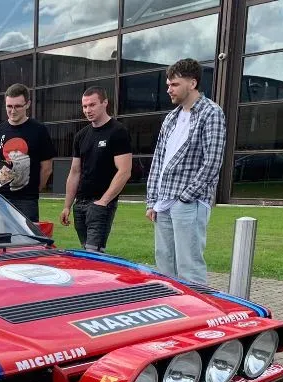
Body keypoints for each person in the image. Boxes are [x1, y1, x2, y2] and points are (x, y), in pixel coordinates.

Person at [146, 58, 226, 284]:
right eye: (168, 85)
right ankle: (170, 305)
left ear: (192, 83)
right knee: (164, 267)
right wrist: (152, 200)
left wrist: (186, 197)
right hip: (163, 201)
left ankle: (196, 306)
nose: (169, 89)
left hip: (189, 202)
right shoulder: (171, 118)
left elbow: (212, 161)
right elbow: (158, 161)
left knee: (189, 268)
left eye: (175, 84)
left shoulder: (211, 112)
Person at [60, 87, 132, 253]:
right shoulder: (81, 135)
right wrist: (67, 206)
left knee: (94, 253)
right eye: (84, 106)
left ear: (105, 103)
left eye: (92, 105)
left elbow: (124, 171)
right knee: (86, 253)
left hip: (101, 204)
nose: (87, 110)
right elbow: (75, 172)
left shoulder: (118, 131)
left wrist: (104, 201)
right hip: (80, 204)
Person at [0, 83, 54, 222]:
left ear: (28, 104)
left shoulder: (39, 131)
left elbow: (47, 169)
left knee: (27, 236)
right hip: (1, 199)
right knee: (0, 236)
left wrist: (33, 190)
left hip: (27, 201)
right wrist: (1, 188)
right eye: (9, 106)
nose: (13, 111)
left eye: (17, 106)